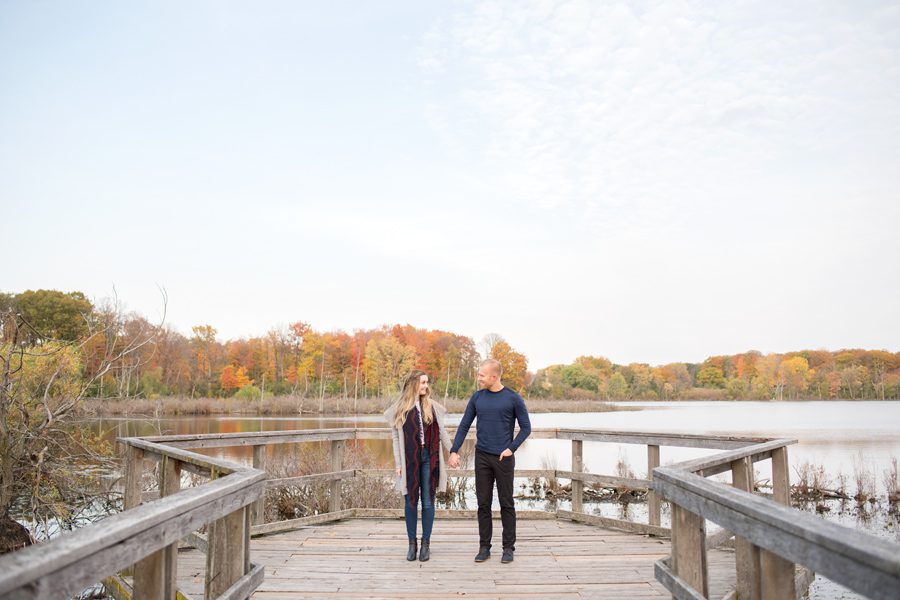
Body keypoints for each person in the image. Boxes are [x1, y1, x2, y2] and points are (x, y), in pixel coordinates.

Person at [449, 359, 531, 564]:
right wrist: (454, 450)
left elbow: (526, 428)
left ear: (494, 377)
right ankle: (484, 547)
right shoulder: (477, 398)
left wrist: (511, 449)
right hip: (482, 456)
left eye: (481, 375)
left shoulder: (513, 398)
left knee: (506, 503)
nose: (478, 378)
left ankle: (508, 548)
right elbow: (464, 425)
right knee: (483, 503)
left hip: (503, 458)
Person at [384, 369, 453, 562]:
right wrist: (398, 463)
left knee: (428, 501)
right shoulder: (399, 408)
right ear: (414, 383)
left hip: (428, 458)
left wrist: (453, 451)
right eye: (423, 382)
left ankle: (425, 544)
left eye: (427, 382)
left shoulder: (432, 406)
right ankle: (411, 544)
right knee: (410, 502)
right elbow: (395, 437)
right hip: (409, 460)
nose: (426, 386)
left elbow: (442, 433)